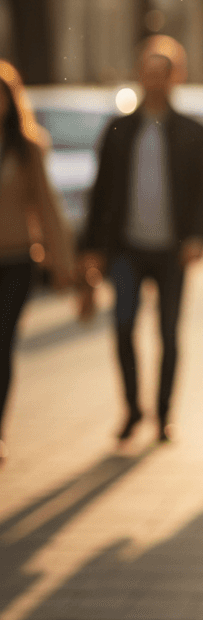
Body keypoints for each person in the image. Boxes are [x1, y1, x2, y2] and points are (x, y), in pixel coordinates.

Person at [80, 37, 203, 443]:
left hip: (173, 250)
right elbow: (101, 192)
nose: (155, 82)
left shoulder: (194, 132)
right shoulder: (120, 131)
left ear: (175, 78)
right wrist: (90, 249)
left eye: (163, 74)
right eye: (148, 73)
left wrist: (198, 236)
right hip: (126, 249)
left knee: (169, 334)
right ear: (140, 76)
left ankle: (163, 414)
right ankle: (131, 409)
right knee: (123, 327)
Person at [0, 61, 74, 463]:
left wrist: (62, 264)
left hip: (15, 260)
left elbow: (46, 206)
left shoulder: (27, 147)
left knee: (2, 343)